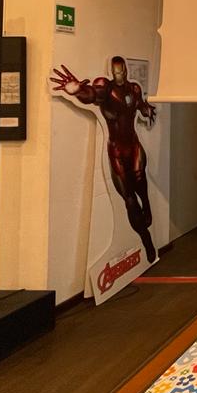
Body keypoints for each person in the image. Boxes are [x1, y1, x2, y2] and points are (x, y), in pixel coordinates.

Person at [50, 57, 158, 262]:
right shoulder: (105, 87)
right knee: (129, 198)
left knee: (140, 182)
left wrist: (147, 110)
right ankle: (147, 240)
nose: (120, 75)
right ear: (112, 72)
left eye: (122, 71)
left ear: (126, 71)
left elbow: (141, 105)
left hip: (133, 146)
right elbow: (92, 94)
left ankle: (147, 206)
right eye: (116, 72)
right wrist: (78, 90)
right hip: (116, 149)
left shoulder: (134, 88)